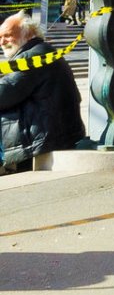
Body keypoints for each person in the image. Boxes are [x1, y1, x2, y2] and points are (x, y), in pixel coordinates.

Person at [0, 12, 83, 175]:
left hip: (41, 141)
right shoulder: (42, 52)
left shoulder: (33, 56)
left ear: (28, 34)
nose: (2, 42)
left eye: (8, 36)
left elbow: (4, 94)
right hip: (49, 136)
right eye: (0, 37)